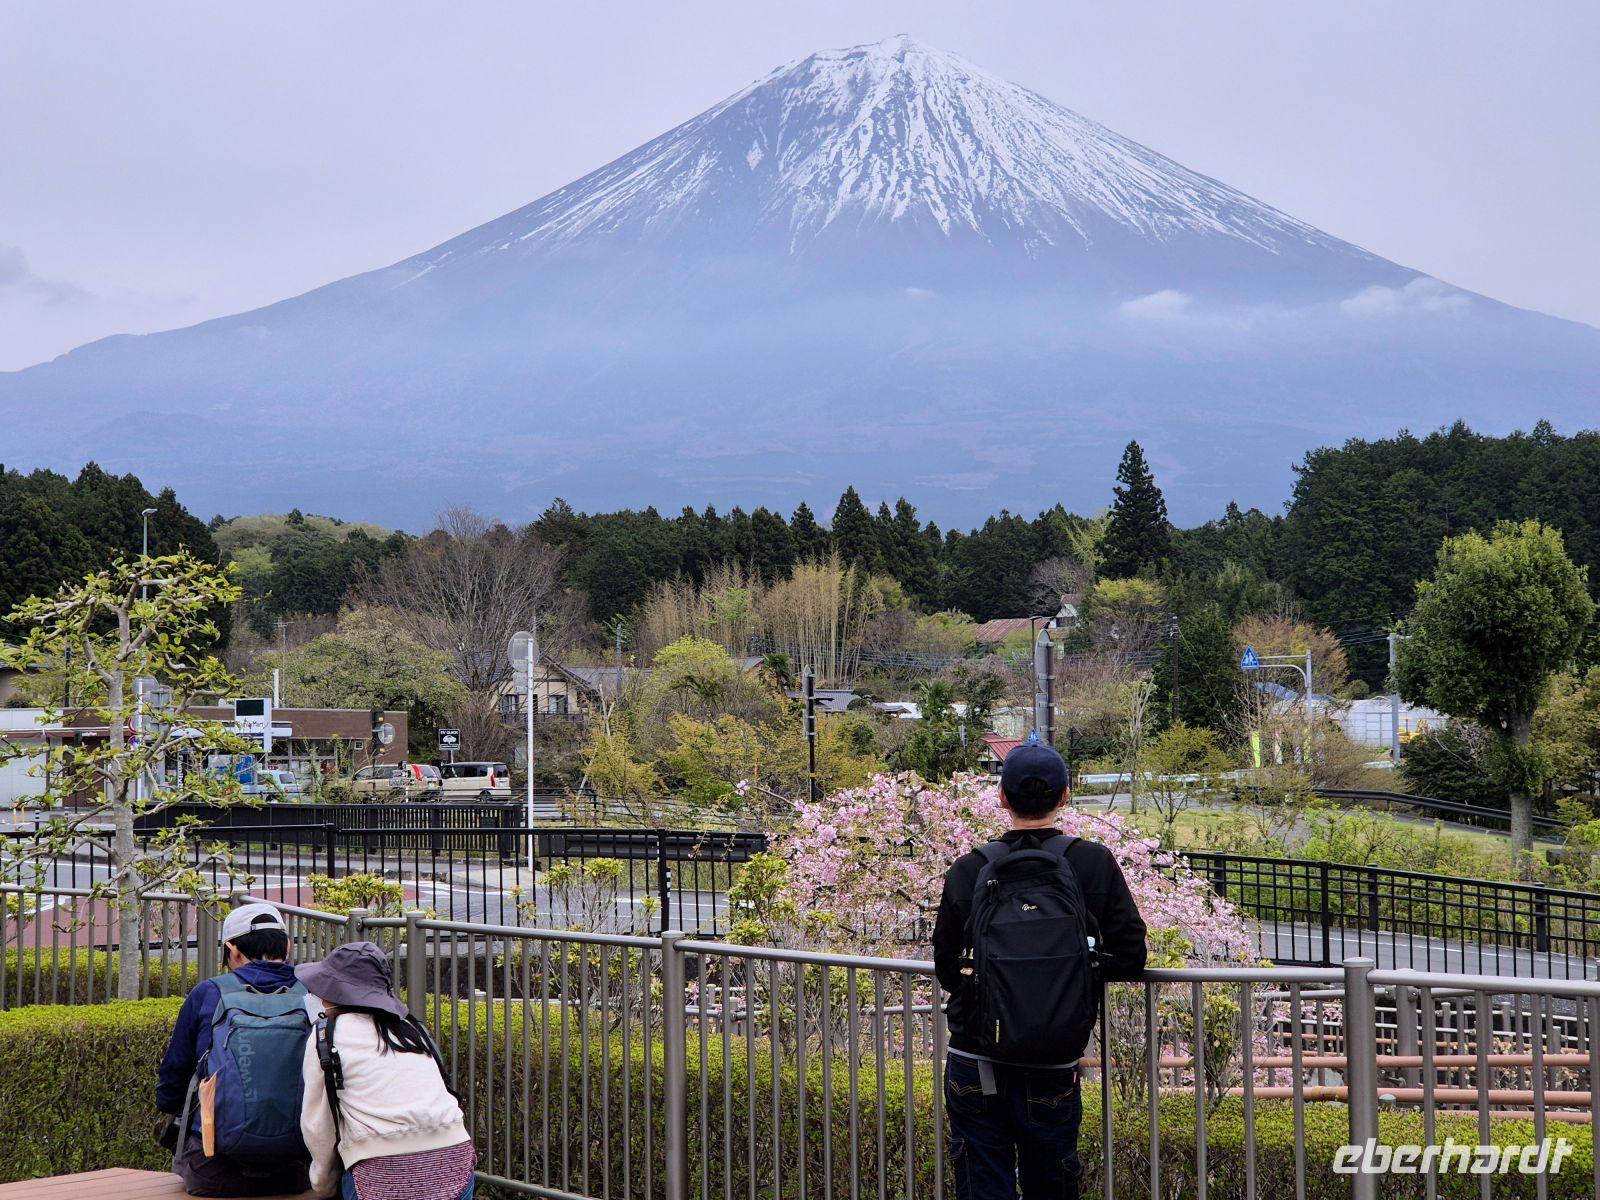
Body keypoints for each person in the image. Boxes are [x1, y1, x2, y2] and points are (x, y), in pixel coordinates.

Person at [932, 739, 1148, 1200]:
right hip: (1053, 1059)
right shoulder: (1093, 863)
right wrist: (1075, 972)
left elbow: (946, 967)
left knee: (982, 1183)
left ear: (1002, 797)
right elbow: (1131, 956)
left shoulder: (970, 868)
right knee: (1051, 1182)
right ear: (1065, 795)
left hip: (976, 1057)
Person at [156, 900, 314, 1197]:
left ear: (233, 950)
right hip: (297, 1171)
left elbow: (172, 1084)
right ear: (288, 946)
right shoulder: (312, 994)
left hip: (214, 1174)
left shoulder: (209, 993)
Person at [297, 941, 477, 1200]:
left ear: (335, 992)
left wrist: (323, 1184)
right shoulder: (410, 1029)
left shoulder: (327, 1035)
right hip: (453, 1159)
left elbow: (318, 1126)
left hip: (381, 1171)